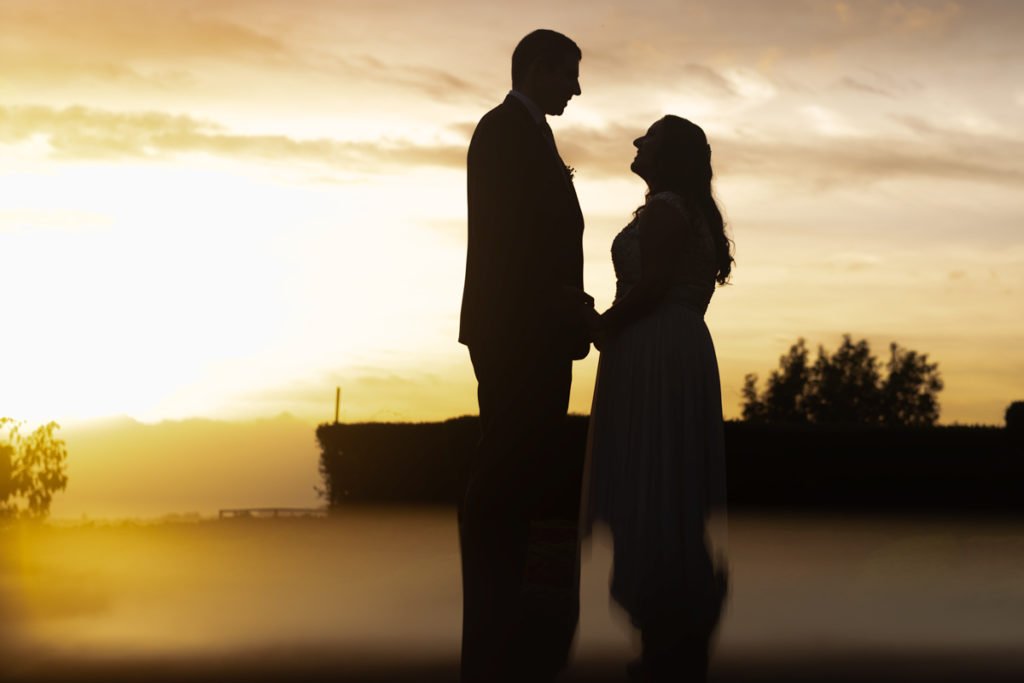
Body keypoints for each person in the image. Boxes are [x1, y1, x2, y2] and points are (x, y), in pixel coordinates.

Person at [457, 29, 593, 683]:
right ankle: (489, 627)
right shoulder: (503, 132)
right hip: (517, 332)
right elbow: (506, 238)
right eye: (569, 73)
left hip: (535, 330)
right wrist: (557, 300)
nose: (576, 87)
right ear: (539, 69)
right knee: (502, 473)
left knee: (520, 472)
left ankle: (505, 617)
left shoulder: (526, 132)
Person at [583, 115, 733, 683]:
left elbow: (652, 286)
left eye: (649, 138)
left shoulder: (669, 210)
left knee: (655, 470)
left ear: (667, 156)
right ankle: (670, 620)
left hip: (656, 348)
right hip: (674, 344)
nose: (637, 143)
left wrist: (603, 325)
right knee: (666, 474)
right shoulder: (681, 209)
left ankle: (666, 623)